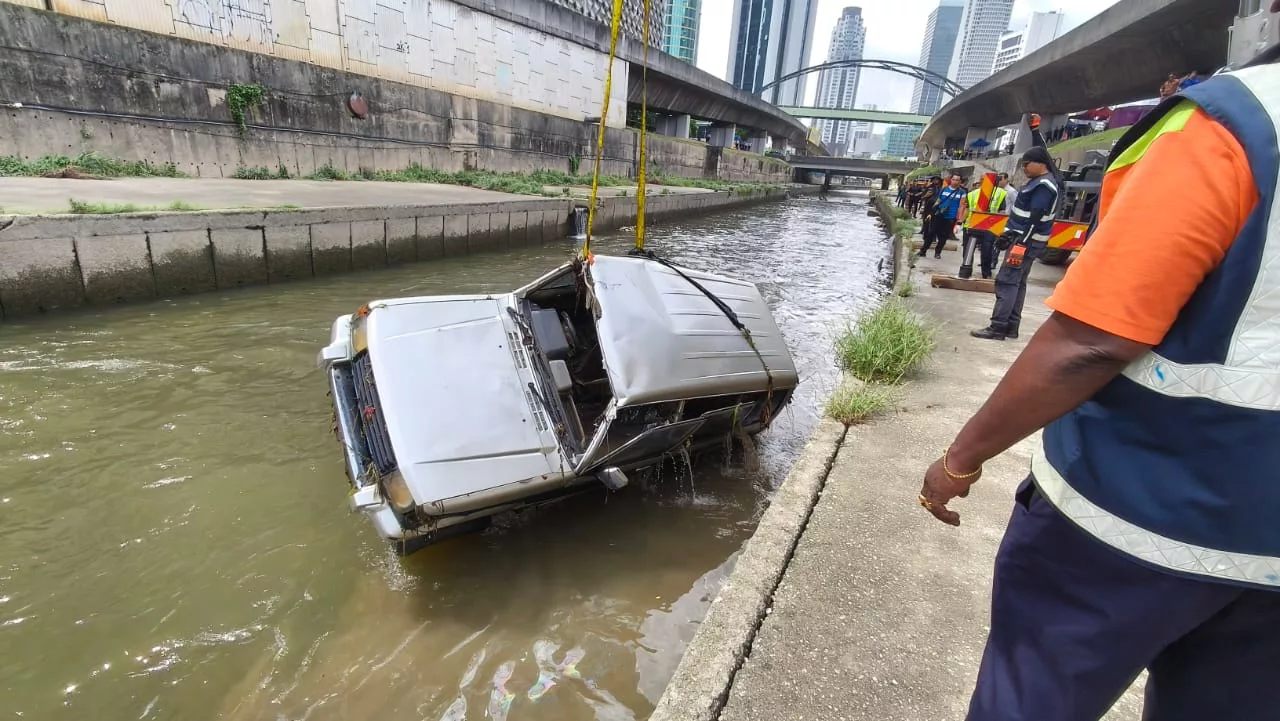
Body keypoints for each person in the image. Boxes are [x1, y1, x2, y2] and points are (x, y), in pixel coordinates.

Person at [918, 54, 1280, 721]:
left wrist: (958, 459)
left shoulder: (1233, 124)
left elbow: (1093, 341)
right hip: (1266, 557)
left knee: (1030, 696)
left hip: (1135, 514)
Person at [969, 147, 1059, 340]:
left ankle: (998, 327)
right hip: (1024, 241)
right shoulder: (1039, 182)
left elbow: (1035, 218)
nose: (1024, 168)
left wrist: (1019, 243)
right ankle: (1011, 326)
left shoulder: (1043, 186)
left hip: (1024, 244)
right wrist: (1009, 234)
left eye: (1027, 164)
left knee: (1007, 281)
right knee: (1017, 283)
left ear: (1040, 163)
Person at [957, 175, 1008, 279]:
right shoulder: (972, 194)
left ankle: (986, 273)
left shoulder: (1000, 193)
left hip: (989, 227)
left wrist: (1000, 228)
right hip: (971, 225)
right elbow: (967, 209)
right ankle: (966, 272)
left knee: (986, 251)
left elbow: (1001, 211)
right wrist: (960, 221)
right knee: (968, 251)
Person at [920, 174, 965, 259]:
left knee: (943, 236)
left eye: (957, 180)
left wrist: (959, 219)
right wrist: (931, 213)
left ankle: (938, 253)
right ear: (950, 180)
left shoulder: (962, 192)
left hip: (950, 217)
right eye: (953, 179)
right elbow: (938, 201)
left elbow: (961, 206)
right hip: (938, 214)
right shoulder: (944, 189)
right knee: (931, 233)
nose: (955, 181)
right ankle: (923, 251)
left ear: (959, 182)